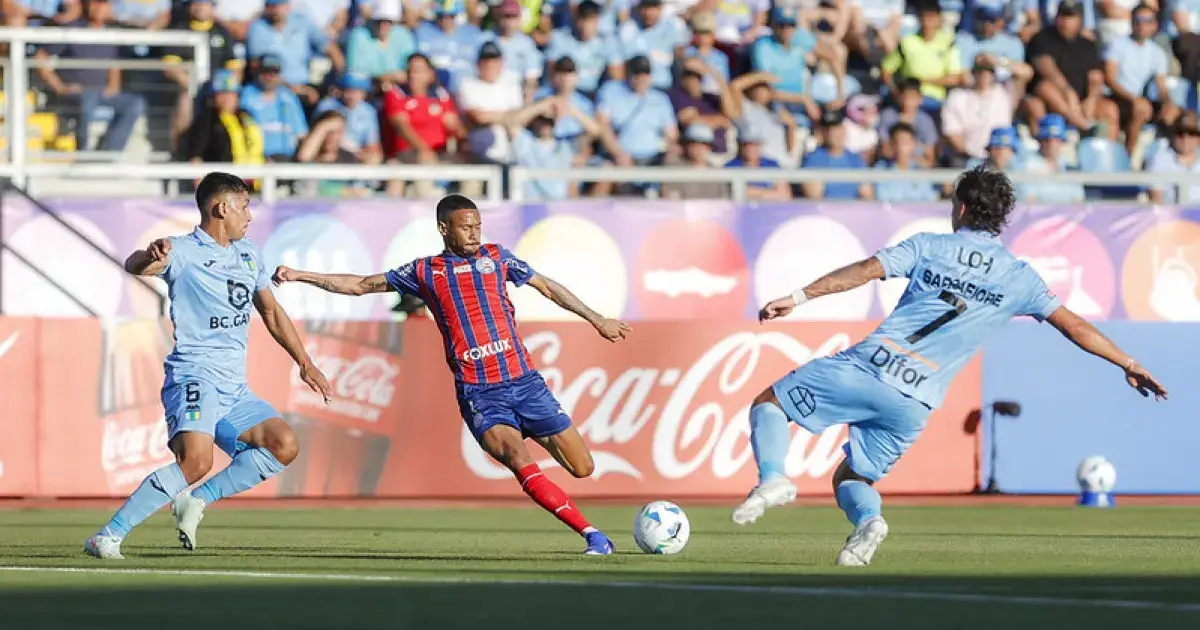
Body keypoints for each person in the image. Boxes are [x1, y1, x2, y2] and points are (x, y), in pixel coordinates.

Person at [734, 164, 1167, 566]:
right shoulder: (1020, 278)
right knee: (854, 478)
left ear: (960, 207)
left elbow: (865, 271)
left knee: (770, 403)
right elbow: (1073, 326)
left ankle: (772, 477)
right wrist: (1126, 362)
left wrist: (799, 297)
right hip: (915, 403)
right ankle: (869, 523)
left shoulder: (929, 246)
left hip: (869, 368)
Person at [271, 194, 630, 555]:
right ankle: (593, 535)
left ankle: (581, 516)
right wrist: (302, 275)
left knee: (583, 468)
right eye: (465, 227)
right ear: (444, 229)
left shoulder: (497, 257)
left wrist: (597, 319)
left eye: (477, 226)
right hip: (481, 395)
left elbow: (548, 286)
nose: (474, 234)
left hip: (526, 383)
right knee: (519, 460)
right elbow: (361, 284)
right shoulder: (425, 271)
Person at [84, 173, 333, 560]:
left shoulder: (249, 254)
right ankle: (108, 536)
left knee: (283, 444)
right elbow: (135, 264)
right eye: (245, 206)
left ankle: (196, 501)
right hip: (194, 375)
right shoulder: (181, 251)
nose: (250, 215)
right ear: (222, 209)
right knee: (196, 461)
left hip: (234, 386)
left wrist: (305, 362)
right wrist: (149, 257)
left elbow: (270, 311)